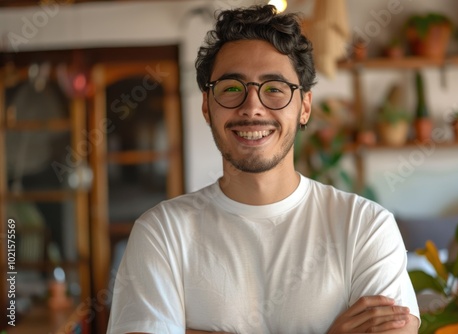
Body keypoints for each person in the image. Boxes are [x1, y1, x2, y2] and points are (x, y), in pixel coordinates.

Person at [107, 5, 420, 334]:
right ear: (206, 106)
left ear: (305, 108)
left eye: (274, 89)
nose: (252, 107)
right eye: (231, 89)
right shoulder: (162, 233)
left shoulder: (365, 227)